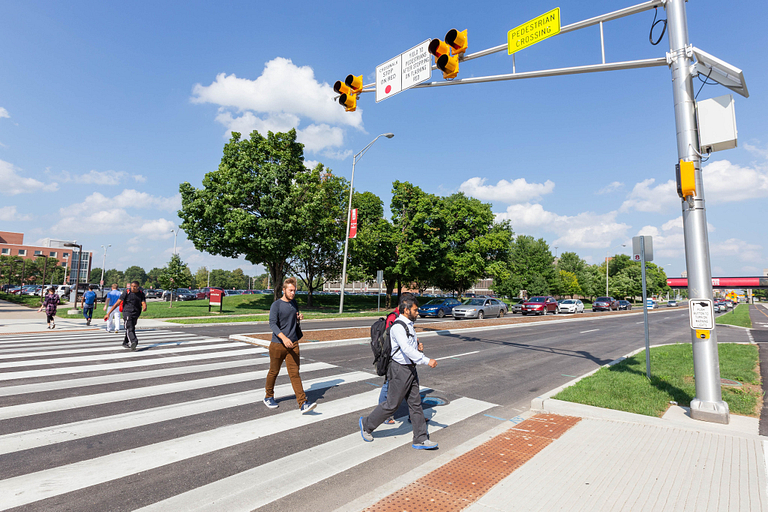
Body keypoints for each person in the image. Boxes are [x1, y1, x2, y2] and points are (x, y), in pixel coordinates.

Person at [359, 296, 438, 450]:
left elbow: (410, 347)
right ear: (406, 309)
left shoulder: (409, 325)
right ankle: (366, 424)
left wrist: (418, 348)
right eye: (415, 310)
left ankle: (420, 439)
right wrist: (425, 359)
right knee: (392, 405)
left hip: (410, 369)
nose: (418, 312)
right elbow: (406, 349)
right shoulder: (398, 327)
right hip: (399, 370)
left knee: (415, 404)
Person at [263, 277, 316, 414]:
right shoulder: (276, 305)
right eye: (290, 290)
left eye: (294, 290)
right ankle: (268, 396)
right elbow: (273, 324)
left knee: (295, 374)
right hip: (278, 344)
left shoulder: (294, 303)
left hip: (293, 344)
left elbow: (292, 319)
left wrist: (298, 318)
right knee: (274, 371)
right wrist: (284, 338)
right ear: (284, 290)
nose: (293, 293)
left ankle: (303, 403)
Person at [378, 292, 422, 425]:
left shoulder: (406, 318)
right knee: (388, 387)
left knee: (412, 394)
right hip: (394, 360)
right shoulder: (395, 318)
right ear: (405, 305)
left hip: (407, 361)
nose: (416, 311)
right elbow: (390, 339)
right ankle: (382, 416)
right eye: (413, 307)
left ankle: (414, 417)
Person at [105, 281, 146, 350]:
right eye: (132, 286)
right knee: (129, 327)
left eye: (135, 286)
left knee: (131, 327)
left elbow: (143, 302)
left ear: (138, 287)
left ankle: (125, 342)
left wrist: (144, 307)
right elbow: (117, 303)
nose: (133, 288)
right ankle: (134, 341)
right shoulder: (126, 292)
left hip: (136, 313)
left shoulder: (141, 294)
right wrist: (108, 313)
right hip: (127, 312)